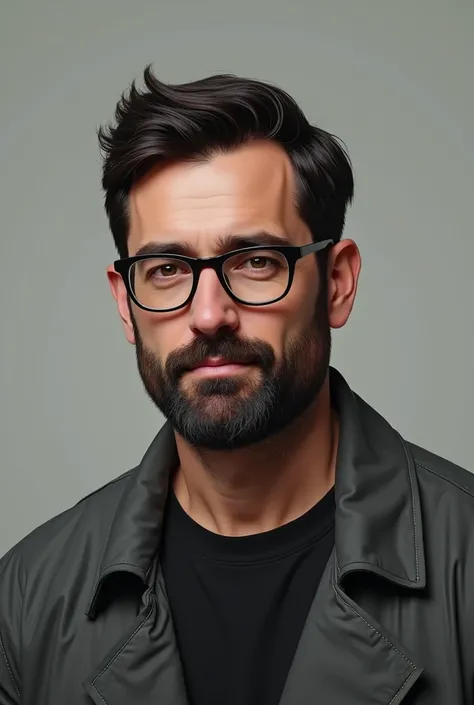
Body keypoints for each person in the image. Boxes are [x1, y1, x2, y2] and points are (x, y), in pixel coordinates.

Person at [1, 66, 473, 705]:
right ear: (125, 303)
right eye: (166, 269)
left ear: (336, 282)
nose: (209, 315)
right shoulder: (27, 596)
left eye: (255, 261)